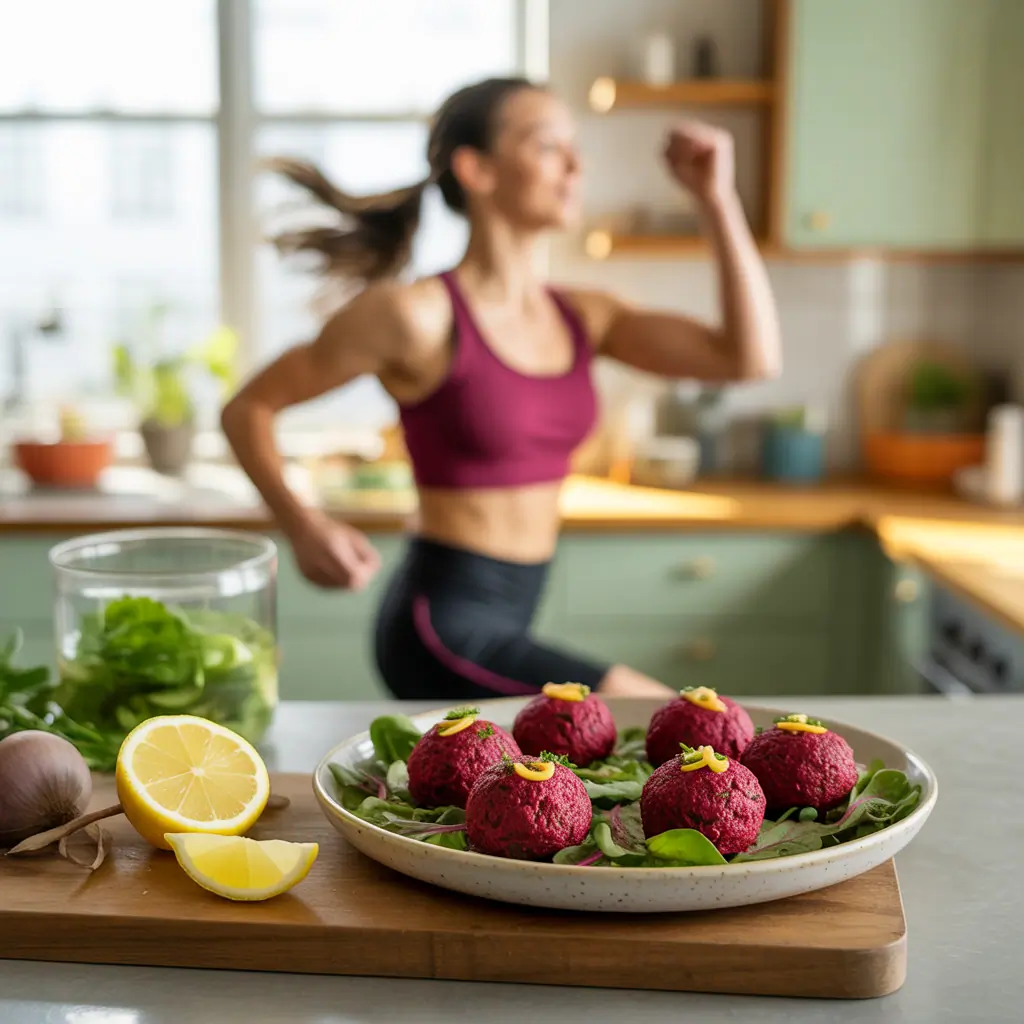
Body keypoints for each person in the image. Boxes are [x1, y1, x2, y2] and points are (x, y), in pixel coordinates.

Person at [222, 76, 781, 703]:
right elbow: (248, 407)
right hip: (441, 630)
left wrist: (716, 197)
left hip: (514, 612)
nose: (576, 164)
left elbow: (746, 357)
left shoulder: (583, 316)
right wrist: (303, 526)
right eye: (548, 147)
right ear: (477, 170)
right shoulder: (415, 316)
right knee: (684, 723)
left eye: (574, 146)